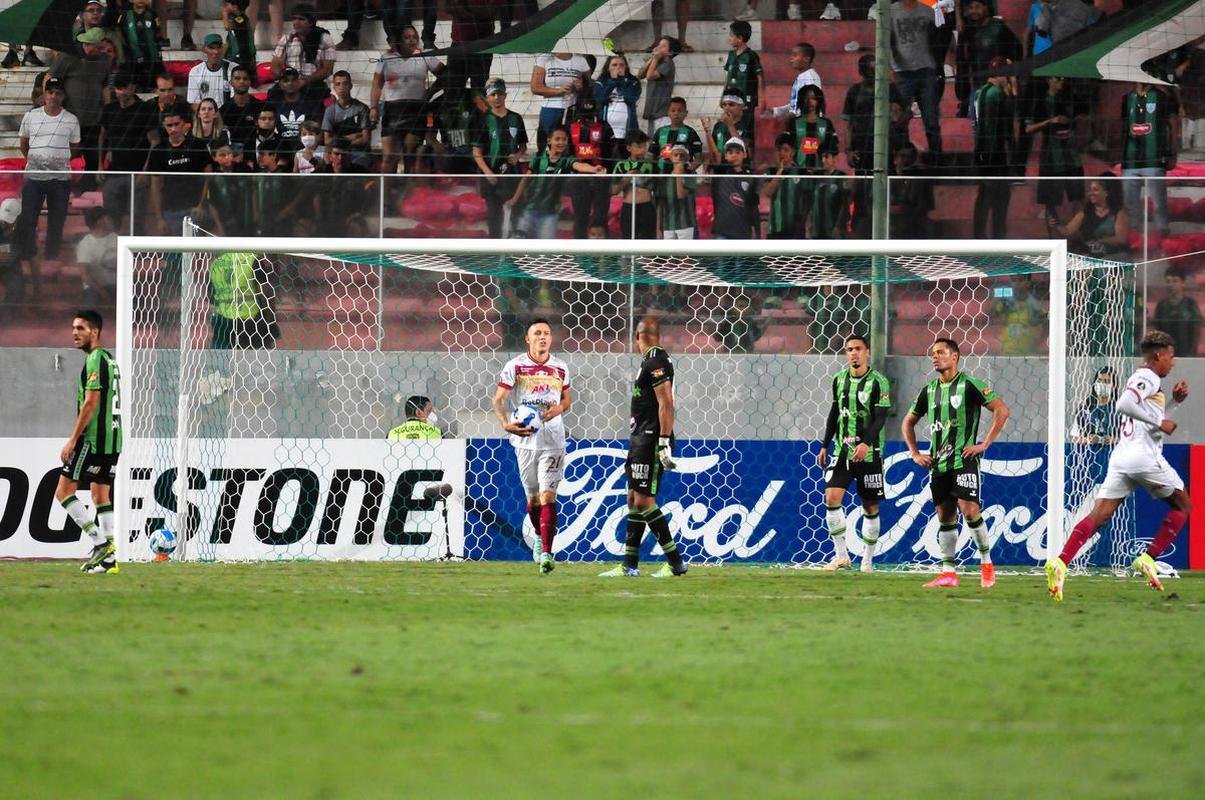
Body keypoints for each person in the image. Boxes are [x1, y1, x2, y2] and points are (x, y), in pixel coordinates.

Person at [1046, 330, 1192, 600]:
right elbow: (1124, 405)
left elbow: (1147, 418)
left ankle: (1061, 562)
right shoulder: (1147, 376)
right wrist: (1161, 422)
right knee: (1184, 505)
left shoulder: (1144, 380)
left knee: (1098, 516)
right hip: (1143, 457)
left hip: (1122, 457)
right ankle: (1149, 558)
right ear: (1158, 355)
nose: (1172, 363)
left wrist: (1174, 403)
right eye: (1170, 357)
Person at [901, 337, 1011, 588]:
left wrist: (984, 444)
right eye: (932, 353)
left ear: (955, 356)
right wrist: (915, 453)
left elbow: (1001, 409)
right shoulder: (928, 390)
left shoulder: (970, 384)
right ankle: (948, 572)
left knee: (970, 509)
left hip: (964, 460)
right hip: (938, 464)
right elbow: (908, 421)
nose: (934, 357)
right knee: (945, 516)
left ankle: (986, 564)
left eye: (940, 352)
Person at [599, 316, 688, 578]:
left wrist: (662, 441)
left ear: (637, 337)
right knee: (633, 499)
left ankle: (675, 563)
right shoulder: (651, 361)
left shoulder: (656, 361)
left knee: (644, 500)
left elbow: (667, 403)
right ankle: (630, 564)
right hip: (640, 438)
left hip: (650, 440)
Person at [491, 318, 573, 575]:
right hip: (525, 440)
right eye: (537, 333)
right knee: (533, 500)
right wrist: (505, 424)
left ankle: (547, 553)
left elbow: (567, 398)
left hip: (554, 441)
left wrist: (558, 408)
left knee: (549, 496)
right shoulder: (515, 366)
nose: (542, 337)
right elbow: (499, 399)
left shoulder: (560, 367)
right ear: (528, 339)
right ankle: (539, 535)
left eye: (547, 333)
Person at [818, 335, 891, 572]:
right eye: (849, 349)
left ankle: (867, 562)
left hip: (869, 454)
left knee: (870, 506)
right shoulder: (839, 379)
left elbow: (881, 417)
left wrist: (866, 443)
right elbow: (834, 413)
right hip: (842, 452)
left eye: (858, 349)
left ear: (867, 352)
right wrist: (825, 445)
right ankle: (841, 556)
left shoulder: (879, 382)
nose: (853, 353)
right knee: (831, 498)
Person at [58, 310, 123, 575]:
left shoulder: (96, 359)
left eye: (80, 328)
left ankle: (100, 543)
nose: (74, 333)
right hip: (114, 439)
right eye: (73, 328)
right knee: (100, 495)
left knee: (63, 492)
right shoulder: (110, 359)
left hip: (93, 440)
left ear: (94, 332)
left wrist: (73, 440)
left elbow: (91, 402)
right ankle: (109, 562)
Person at [15, 78, 80, 279]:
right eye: (50, 92)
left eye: (57, 92)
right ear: (44, 94)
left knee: (57, 221)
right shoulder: (31, 116)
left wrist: (54, 160)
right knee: (28, 218)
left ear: (63, 95)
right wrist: (37, 160)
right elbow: (24, 143)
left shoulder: (71, 119)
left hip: (60, 180)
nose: (53, 96)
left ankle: (51, 262)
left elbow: (74, 147)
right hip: (34, 177)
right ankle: (26, 257)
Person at [506, 126, 605, 239]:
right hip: (529, 210)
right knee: (519, 245)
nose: (561, 142)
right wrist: (514, 199)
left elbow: (579, 166)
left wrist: (593, 169)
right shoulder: (538, 157)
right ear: (549, 140)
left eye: (564, 140)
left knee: (546, 251)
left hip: (549, 214)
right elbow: (525, 179)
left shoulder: (567, 160)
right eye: (557, 139)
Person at [370, 27, 444, 175]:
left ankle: (407, 194)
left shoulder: (425, 56)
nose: (412, 40)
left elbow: (445, 74)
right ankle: (385, 192)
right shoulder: (386, 57)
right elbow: (377, 84)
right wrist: (373, 107)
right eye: (407, 37)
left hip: (416, 110)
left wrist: (432, 92)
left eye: (414, 36)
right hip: (392, 110)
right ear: (399, 40)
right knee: (389, 156)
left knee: (410, 155)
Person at [471, 78, 528, 238]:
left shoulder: (516, 118)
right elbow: (476, 151)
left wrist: (517, 156)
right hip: (492, 176)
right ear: (487, 97)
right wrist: (487, 172)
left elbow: (523, 146)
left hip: (511, 174)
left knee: (516, 211)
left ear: (505, 95)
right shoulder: (483, 120)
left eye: (500, 94)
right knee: (494, 215)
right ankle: (495, 249)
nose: (497, 98)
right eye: (493, 94)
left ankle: (515, 246)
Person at [1120, 82, 1178, 237]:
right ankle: (1134, 237)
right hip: (1130, 160)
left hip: (1155, 158)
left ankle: (1163, 233)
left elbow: (1174, 124)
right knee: (1130, 203)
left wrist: (1173, 152)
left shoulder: (1163, 97)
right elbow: (1123, 126)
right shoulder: (1127, 98)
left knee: (1159, 202)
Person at [145, 109, 210, 235]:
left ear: (184, 124)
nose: (173, 128)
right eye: (169, 125)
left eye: (176, 124)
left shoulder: (197, 145)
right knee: (174, 253)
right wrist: (159, 218)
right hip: (170, 210)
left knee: (197, 252)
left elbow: (208, 177)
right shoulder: (159, 151)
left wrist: (202, 205)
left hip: (194, 209)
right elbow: (155, 185)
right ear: (164, 126)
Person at [1026, 75, 1082, 219]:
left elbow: (1082, 118)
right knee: (1050, 193)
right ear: (1049, 80)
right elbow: (1029, 129)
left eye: (1063, 79)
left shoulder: (1070, 99)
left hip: (1071, 153)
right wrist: (1050, 121)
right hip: (1051, 153)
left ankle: (1075, 224)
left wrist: (1072, 120)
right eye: (1058, 79)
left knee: (1077, 192)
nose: (1062, 81)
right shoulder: (1040, 102)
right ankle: (1052, 219)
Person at [890, 0, 942, 155]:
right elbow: (886, 41)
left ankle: (936, 157)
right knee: (900, 120)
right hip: (902, 71)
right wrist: (890, 68)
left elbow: (937, 40)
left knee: (931, 119)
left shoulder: (928, 11)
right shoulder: (891, 11)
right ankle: (903, 157)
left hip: (926, 69)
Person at [971, 61, 1015, 240]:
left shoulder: (979, 92)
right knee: (1000, 198)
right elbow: (1006, 124)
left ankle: (979, 236)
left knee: (984, 196)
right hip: (995, 153)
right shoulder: (997, 94)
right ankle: (999, 237)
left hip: (982, 151)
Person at [99, 71, 149, 225]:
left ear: (133, 88)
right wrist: (100, 165)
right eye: (118, 88)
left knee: (137, 218)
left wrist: (145, 171)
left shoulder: (145, 109)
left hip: (138, 172)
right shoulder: (109, 110)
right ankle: (114, 246)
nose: (121, 92)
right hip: (115, 172)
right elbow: (102, 137)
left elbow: (154, 142)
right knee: (112, 216)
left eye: (125, 88)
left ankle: (137, 249)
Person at [1047, 174, 1131, 260]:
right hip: (1090, 255)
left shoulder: (1119, 212)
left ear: (1106, 193)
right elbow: (1067, 231)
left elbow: (1121, 238)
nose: (1090, 193)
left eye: (1095, 190)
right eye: (1090, 190)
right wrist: (1056, 225)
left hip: (1115, 256)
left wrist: (1098, 242)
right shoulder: (1085, 213)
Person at [209, 251, 278, 349]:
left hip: (223, 324)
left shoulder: (216, 263)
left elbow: (211, 298)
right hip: (251, 324)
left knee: (222, 360)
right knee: (257, 360)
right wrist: (270, 322)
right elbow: (266, 294)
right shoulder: (253, 259)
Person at [270, 4, 336, 102]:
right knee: (272, 93)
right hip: (290, 81)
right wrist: (286, 80)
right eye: (294, 18)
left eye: (301, 19)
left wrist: (304, 81)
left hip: (314, 83)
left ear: (311, 22)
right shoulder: (287, 39)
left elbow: (327, 70)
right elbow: (275, 64)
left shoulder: (324, 39)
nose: (296, 22)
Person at [530, 52, 590, 150]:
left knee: (571, 144)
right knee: (548, 144)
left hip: (572, 110)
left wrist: (581, 86)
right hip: (550, 109)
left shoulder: (580, 60)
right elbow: (535, 87)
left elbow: (589, 85)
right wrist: (559, 90)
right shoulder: (544, 58)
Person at [704, 137, 759, 240]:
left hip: (743, 233)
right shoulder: (720, 173)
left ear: (745, 155)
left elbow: (754, 208)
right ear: (725, 156)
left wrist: (757, 232)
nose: (734, 155)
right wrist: (708, 132)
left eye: (738, 152)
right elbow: (715, 155)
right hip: (722, 232)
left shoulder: (751, 178)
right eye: (730, 152)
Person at [723, 20, 764, 150]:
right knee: (729, 125)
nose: (729, 38)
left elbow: (760, 77)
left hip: (747, 101)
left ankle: (747, 157)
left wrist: (762, 99)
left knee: (746, 130)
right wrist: (722, 96)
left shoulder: (751, 56)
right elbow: (727, 78)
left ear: (740, 38)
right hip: (730, 100)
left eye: (731, 35)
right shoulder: (731, 55)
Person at [322, 71, 373, 169]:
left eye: (345, 83)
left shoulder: (362, 108)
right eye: (338, 84)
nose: (341, 87)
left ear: (350, 86)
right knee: (327, 161)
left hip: (358, 152)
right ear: (334, 87)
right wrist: (351, 137)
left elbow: (365, 139)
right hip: (337, 151)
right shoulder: (330, 110)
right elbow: (327, 140)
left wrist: (339, 140)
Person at [612, 129, 656, 240]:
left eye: (644, 146)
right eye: (639, 146)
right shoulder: (621, 165)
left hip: (647, 206)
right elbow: (614, 190)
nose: (643, 150)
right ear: (629, 148)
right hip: (628, 207)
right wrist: (627, 177)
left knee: (648, 240)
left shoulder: (651, 164)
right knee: (628, 240)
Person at [761, 133, 806, 239]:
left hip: (796, 230)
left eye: (786, 150)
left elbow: (806, 200)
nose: (782, 153)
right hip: (775, 229)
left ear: (793, 152)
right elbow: (768, 192)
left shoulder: (801, 172)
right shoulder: (770, 170)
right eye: (779, 150)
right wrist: (779, 172)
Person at [594, 54, 641, 153]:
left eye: (621, 65)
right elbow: (601, 99)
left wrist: (622, 81)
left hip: (628, 130)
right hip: (606, 130)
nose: (618, 68)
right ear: (608, 68)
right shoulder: (600, 82)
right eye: (614, 65)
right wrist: (613, 82)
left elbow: (630, 99)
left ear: (626, 67)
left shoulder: (633, 82)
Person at [1152, 268, 1202, 357]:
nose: (1171, 284)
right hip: (1165, 354)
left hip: (1186, 353)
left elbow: (1197, 330)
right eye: (1168, 281)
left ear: (1183, 283)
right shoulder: (1162, 305)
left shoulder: (1190, 304)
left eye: (1175, 281)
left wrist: (1192, 351)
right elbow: (1156, 329)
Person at [115, 0, 164, 91]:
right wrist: (124, 44)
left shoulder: (152, 14)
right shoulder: (125, 14)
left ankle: (152, 87)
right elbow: (118, 29)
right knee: (134, 71)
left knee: (153, 70)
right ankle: (136, 87)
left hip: (151, 54)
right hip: (133, 53)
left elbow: (158, 30)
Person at [765, 43, 821, 121]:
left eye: (795, 55)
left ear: (806, 59)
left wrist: (792, 115)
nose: (791, 58)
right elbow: (795, 104)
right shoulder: (801, 77)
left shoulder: (810, 78)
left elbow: (811, 104)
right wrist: (777, 111)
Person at [76, 208, 118, 307]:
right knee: (91, 304)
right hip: (95, 287)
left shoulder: (117, 238)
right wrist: (103, 293)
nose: (111, 221)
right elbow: (85, 275)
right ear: (100, 221)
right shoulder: (86, 244)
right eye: (108, 218)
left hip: (118, 285)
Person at [656, 142, 698, 239]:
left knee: (684, 254)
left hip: (686, 224)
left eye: (682, 155)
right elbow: (660, 203)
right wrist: (658, 228)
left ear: (687, 158)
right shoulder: (664, 176)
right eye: (676, 155)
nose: (678, 158)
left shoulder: (691, 174)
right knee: (670, 254)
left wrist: (678, 174)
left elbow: (681, 195)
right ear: (671, 157)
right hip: (668, 224)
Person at [638, 37, 678, 136]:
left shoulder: (668, 63)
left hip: (661, 111)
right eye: (658, 45)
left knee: (661, 140)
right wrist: (652, 58)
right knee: (652, 141)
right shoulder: (656, 62)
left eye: (663, 46)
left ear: (670, 52)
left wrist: (655, 59)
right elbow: (640, 75)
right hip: (652, 109)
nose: (659, 48)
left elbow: (649, 76)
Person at [650, 96, 703, 171]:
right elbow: (650, 156)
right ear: (668, 112)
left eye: (680, 111)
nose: (676, 113)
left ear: (686, 113)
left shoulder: (691, 132)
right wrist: (655, 172)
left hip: (684, 176)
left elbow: (698, 158)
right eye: (673, 110)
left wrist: (688, 171)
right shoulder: (660, 132)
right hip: (662, 176)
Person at [1071, 366, 1118, 446]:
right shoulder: (1084, 409)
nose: (1102, 384)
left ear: (1114, 386)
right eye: (1099, 381)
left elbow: (1130, 439)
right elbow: (1074, 438)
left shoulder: (1120, 410)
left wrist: (1115, 440)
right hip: (1089, 455)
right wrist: (1087, 440)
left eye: (1107, 381)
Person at [220, 65, 266, 147]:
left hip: (256, 153)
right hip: (232, 155)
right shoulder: (224, 110)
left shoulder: (261, 107)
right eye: (237, 78)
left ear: (250, 82)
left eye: (245, 78)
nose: (241, 81)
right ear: (231, 82)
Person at [187, 34, 235, 109]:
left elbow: (235, 99)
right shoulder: (195, 72)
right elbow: (194, 103)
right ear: (204, 49)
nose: (215, 52)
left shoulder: (233, 69)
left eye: (218, 47)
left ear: (222, 48)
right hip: (206, 116)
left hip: (228, 115)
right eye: (211, 48)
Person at [222, 0, 257, 75]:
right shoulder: (237, 17)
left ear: (235, 7)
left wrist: (225, 13)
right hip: (238, 52)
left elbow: (227, 27)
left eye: (229, 4)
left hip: (240, 54)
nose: (226, 6)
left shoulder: (241, 19)